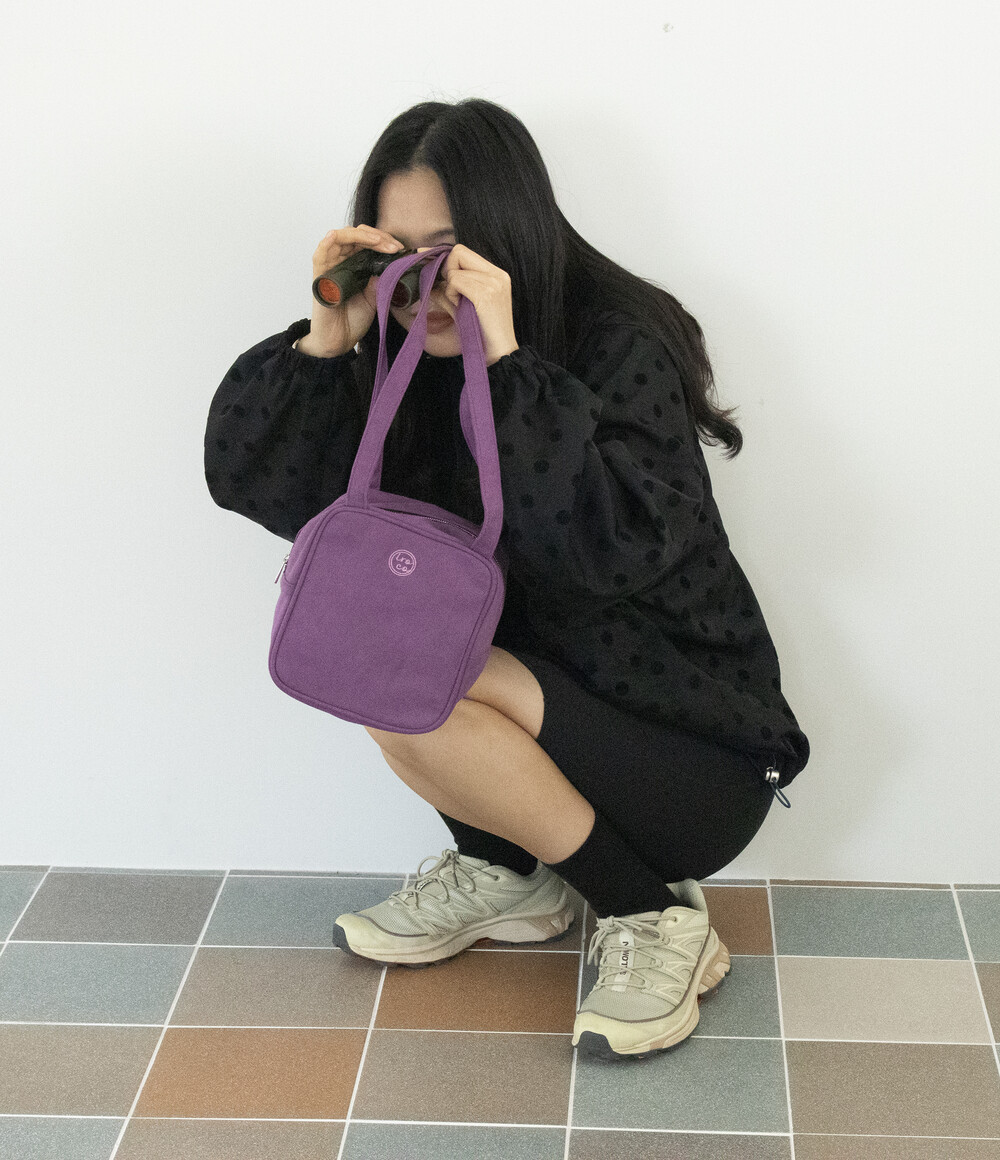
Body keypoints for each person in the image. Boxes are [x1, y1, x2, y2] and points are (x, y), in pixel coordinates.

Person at [204, 97, 809, 1060]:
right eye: (396, 256)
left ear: (512, 238)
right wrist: (328, 335)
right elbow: (254, 484)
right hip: (528, 731)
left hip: (684, 750)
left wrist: (508, 358)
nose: (425, 287)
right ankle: (508, 872)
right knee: (376, 655)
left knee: (411, 666)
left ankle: (651, 914)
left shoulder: (618, 342)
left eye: (448, 255)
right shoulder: (395, 356)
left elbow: (604, 547)